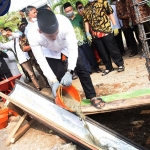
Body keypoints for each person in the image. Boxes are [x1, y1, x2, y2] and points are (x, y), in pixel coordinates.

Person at [27, 9, 105, 109]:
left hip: (66, 47)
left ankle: (92, 96)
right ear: (40, 31)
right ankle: (68, 103)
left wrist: (69, 72)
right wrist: (53, 80)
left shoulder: (64, 22)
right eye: (51, 36)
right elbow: (41, 60)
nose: (55, 37)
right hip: (50, 52)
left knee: (81, 68)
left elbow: (73, 48)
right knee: (59, 77)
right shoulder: (33, 34)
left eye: (56, 33)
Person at [83, 0, 124, 76]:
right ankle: (108, 67)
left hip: (106, 30)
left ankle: (120, 64)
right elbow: (86, 21)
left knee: (113, 49)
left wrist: (115, 25)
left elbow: (110, 14)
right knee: (102, 52)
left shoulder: (103, 2)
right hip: (95, 34)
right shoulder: (86, 8)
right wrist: (87, 33)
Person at [63, 2, 101, 73]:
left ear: (72, 9)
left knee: (90, 54)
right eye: (67, 11)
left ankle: (96, 68)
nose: (69, 12)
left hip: (84, 39)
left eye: (70, 10)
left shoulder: (80, 17)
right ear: (65, 12)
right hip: (75, 43)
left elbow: (86, 25)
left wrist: (88, 34)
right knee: (82, 57)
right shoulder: (65, 21)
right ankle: (88, 70)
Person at [18, 22, 50, 88]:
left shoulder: (34, 31)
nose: (23, 26)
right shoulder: (22, 37)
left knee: (50, 67)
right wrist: (35, 44)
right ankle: (48, 84)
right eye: (21, 26)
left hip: (45, 53)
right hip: (34, 58)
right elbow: (24, 48)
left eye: (24, 25)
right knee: (42, 71)